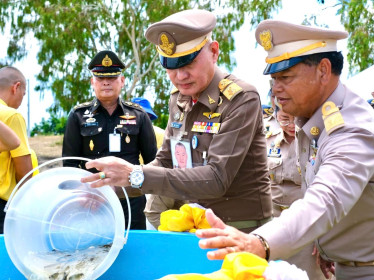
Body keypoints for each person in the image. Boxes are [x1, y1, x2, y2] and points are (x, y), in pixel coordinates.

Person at [196, 20, 374, 280]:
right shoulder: (313, 121)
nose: (275, 89)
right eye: (273, 79)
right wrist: (325, 242)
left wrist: (259, 242)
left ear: (323, 71)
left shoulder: (351, 129)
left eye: (285, 77)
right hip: (345, 266)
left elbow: (326, 199)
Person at [81, 9, 272, 234]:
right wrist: (112, 185)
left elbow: (217, 178)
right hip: (189, 226)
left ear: (214, 51)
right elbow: (166, 160)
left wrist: (136, 175)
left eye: (187, 64)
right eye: (170, 67)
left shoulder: (241, 99)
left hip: (238, 231)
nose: (180, 76)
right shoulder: (179, 98)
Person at [62, 50, 157, 230]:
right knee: (94, 253)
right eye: (100, 78)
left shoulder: (139, 115)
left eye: (112, 78)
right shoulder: (78, 115)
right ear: (92, 82)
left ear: (122, 81)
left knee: (134, 250)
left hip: (131, 200)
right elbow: (69, 165)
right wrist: (82, 195)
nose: (106, 82)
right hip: (92, 202)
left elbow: (153, 161)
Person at [267, 105, 325, 279]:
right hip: (273, 222)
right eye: (285, 118)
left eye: (296, 118)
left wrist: (322, 235)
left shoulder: (319, 140)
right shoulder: (268, 139)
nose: (291, 124)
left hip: (307, 225)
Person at [0, 66, 34, 233]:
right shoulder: (11, 116)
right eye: (24, 93)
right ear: (16, 87)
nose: (22, 98)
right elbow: (24, 170)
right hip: (3, 206)